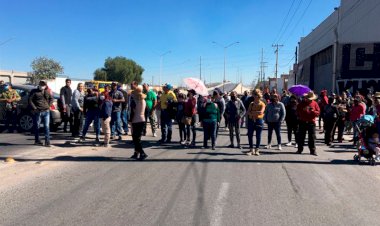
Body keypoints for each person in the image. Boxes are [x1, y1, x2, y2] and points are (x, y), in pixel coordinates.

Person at [29, 81, 53, 147]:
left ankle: (47, 141)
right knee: (37, 126)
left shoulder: (47, 91)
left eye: (43, 84)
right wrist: (35, 108)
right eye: (41, 84)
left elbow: (51, 98)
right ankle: (37, 140)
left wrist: (49, 105)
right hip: (38, 112)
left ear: (45, 85)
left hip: (46, 111)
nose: (42, 85)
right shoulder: (34, 91)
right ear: (39, 84)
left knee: (47, 127)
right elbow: (30, 100)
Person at [296, 91, 320, 155]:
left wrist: (313, 111)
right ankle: (299, 149)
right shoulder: (301, 104)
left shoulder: (315, 103)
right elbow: (297, 112)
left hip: (311, 122)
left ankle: (312, 150)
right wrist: (302, 111)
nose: (309, 100)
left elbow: (318, 113)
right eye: (308, 99)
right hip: (303, 122)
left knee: (312, 137)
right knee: (301, 137)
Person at [130, 87, 148, 160]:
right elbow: (146, 111)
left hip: (136, 120)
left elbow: (133, 112)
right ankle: (136, 153)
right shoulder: (143, 101)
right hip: (142, 119)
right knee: (138, 138)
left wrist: (130, 120)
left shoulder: (134, 101)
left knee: (135, 139)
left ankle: (142, 153)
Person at [246, 89, 265, 156]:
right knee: (250, 135)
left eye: (256, 95)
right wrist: (254, 113)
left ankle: (257, 149)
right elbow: (248, 112)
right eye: (254, 94)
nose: (255, 96)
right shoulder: (251, 103)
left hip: (259, 121)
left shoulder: (262, 104)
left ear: (259, 96)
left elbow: (261, 112)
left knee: (258, 136)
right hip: (251, 120)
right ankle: (251, 149)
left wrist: (252, 113)